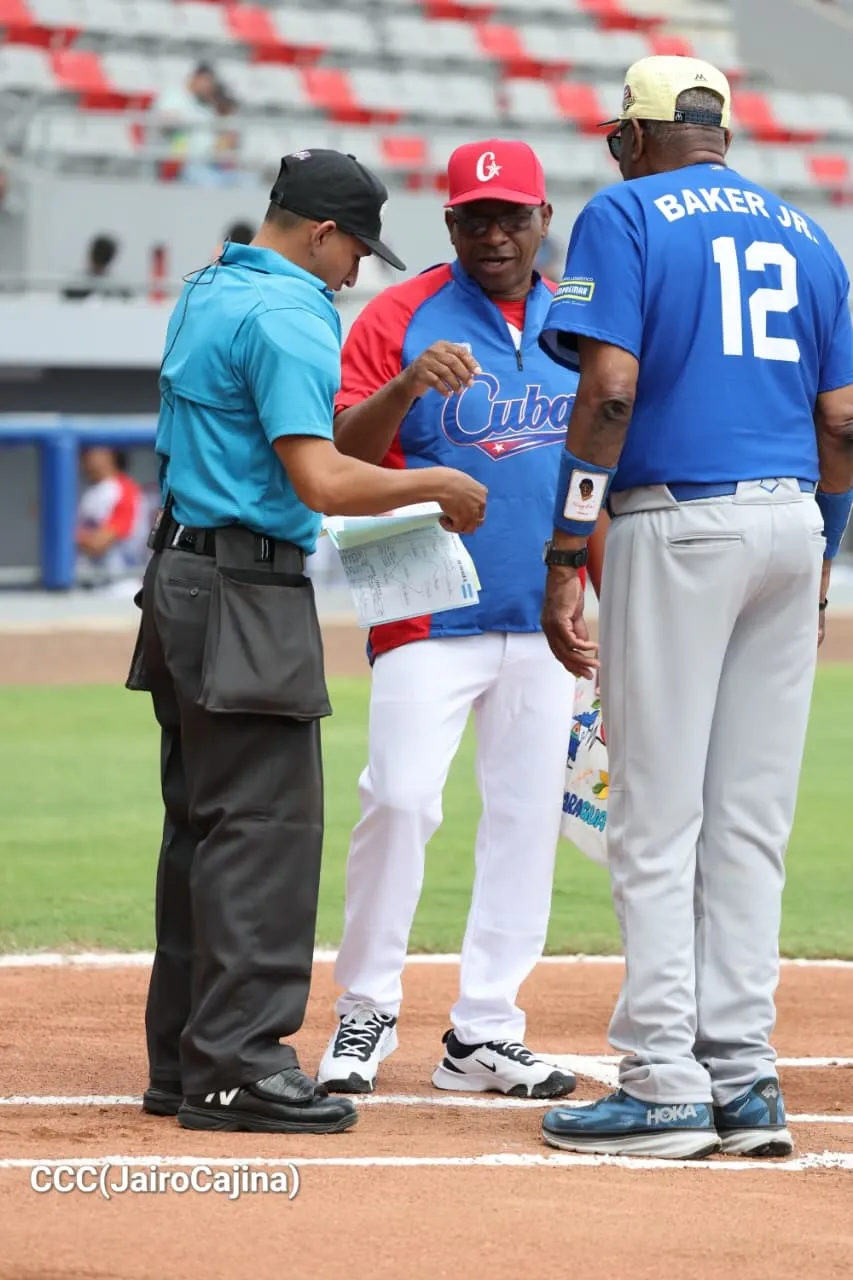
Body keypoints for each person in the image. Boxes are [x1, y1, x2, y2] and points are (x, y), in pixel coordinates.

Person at [126, 148, 487, 1136]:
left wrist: (405, 385)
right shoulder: (292, 312)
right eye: (354, 249)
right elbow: (325, 482)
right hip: (246, 590)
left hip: (182, 579)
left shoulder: (213, 286)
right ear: (322, 232)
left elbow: (330, 441)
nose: (356, 271)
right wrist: (435, 486)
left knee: (202, 829)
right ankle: (240, 1060)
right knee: (265, 831)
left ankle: (186, 1059)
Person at [535, 56, 853, 1160]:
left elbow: (609, 387)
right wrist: (825, 552)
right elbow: (845, 421)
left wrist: (568, 544)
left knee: (655, 817)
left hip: (680, 520)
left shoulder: (622, 210)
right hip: (790, 525)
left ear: (633, 135)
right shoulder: (808, 233)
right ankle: (744, 1073)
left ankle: (666, 1080)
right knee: (749, 823)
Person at [316, 139, 607, 1099]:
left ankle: (486, 1027)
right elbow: (336, 459)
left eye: (511, 216)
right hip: (418, 594)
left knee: (525, 820)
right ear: (448, 224)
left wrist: (600, 597)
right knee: (398, 797)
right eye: (474, 217)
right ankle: (364, 1009)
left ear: (541, 221)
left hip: (545, 602)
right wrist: (404, 386)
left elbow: (602, 469)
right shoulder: (400, 312)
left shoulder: (580, 315)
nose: (493, 233)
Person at [75, 447, 149, 590]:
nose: (85, 456)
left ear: (110, 455)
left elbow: (99, 543)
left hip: (120, 586)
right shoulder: (90, 490)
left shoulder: (123, 490)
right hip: (92, 584)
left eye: (92, 450)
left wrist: (58, 529)